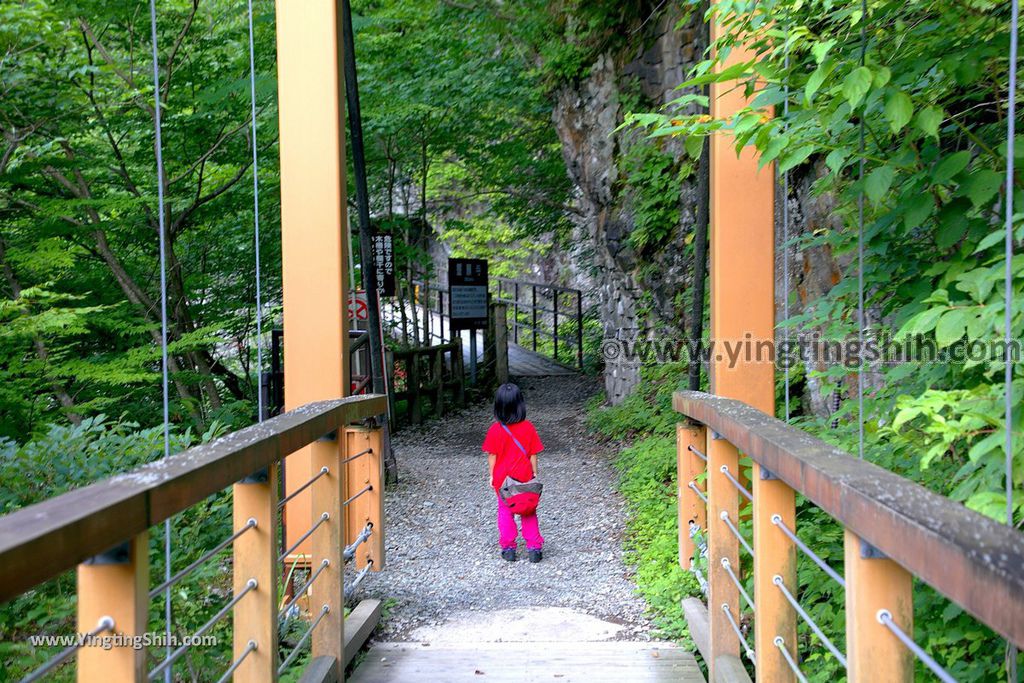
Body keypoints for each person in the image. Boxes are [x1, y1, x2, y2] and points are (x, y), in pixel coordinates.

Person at [481, 382, 544, 563]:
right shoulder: (528, 427)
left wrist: (492, 475)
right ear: (520, 404)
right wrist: (534, 474)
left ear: (498, 405)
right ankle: (534, 548)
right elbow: (533, 454)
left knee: (505, 510)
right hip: (524, 475)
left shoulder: (495, 430)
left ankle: (508, 548)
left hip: (503, 479)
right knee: (528, 510)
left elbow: (492, 456)